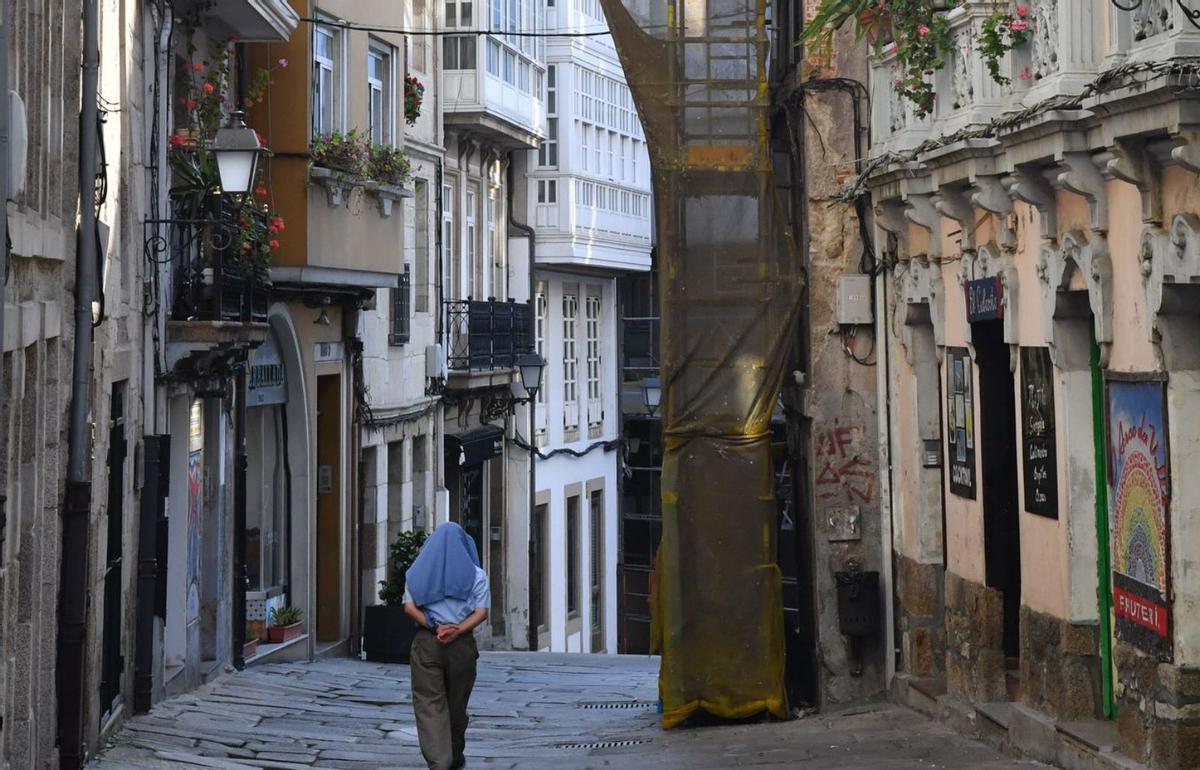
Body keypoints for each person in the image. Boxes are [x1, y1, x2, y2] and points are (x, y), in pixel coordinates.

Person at [403, 522, 490, 770]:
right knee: (456, 704)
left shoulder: (416, 572)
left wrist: (434, 627)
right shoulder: (476, 575)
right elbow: (482, 612)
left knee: (430, 703)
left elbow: (408, 607)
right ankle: (454, 753)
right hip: (461, 645)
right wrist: (457, 630)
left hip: (427, 643)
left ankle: (440, 761)